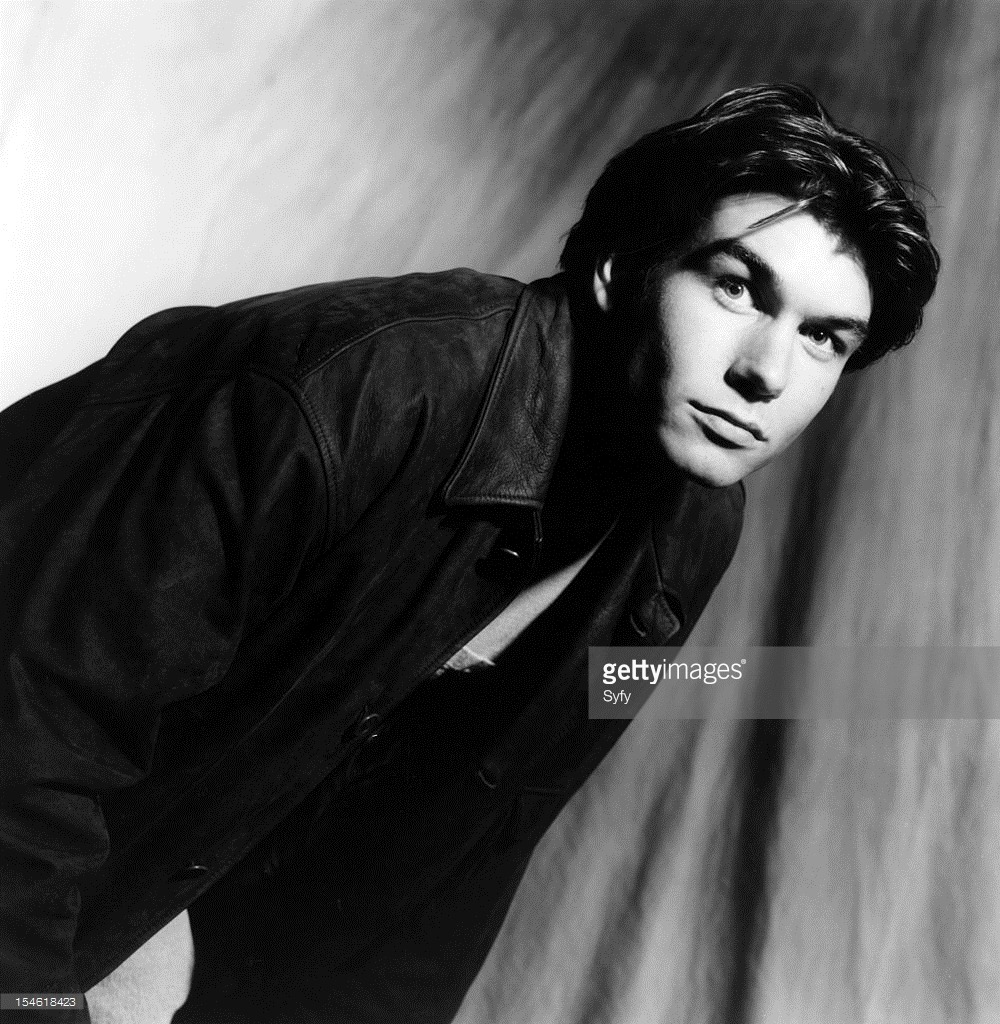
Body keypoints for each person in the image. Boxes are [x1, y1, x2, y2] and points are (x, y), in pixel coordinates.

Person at [0, 83, 939, 1023]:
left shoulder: (689, 538)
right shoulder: (344, 393)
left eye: (824, 338)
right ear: (619, 268)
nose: (766, 372)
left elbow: (451, 877)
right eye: (735, 287)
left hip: (144, 883)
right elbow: (32, 743)